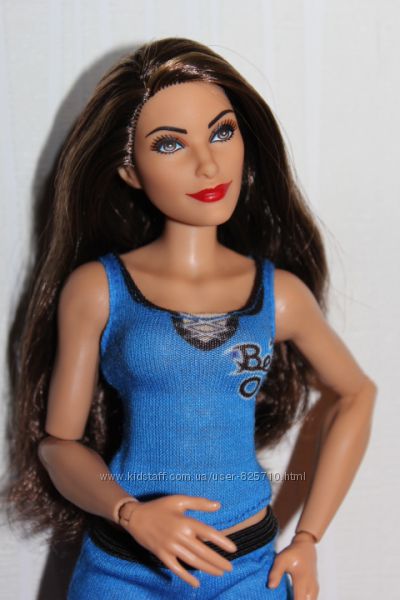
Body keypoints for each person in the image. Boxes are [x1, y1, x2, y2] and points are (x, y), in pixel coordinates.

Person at [3, 37, 377, 599]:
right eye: (169, 144)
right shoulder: (99, 290)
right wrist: (129, 513)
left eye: (222, 132)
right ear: (129, 170)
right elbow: (59, 444)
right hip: (124, 568)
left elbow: (357, 393)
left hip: (246, 568)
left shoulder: (278, 296)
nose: (208, 164)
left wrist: (308, 538)